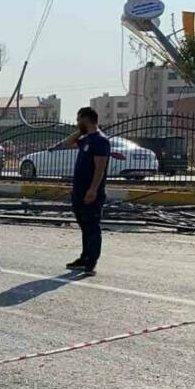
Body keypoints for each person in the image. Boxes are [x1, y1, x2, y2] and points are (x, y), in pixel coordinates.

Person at [61, 107, 110, 276]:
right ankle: (84, 257)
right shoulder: (87, 139)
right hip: (79, 191)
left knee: (92, 227)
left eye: (78, 119)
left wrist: (93, 190)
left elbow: (100, 168)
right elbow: (67, 143)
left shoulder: (100, 140)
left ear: (86, 119)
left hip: (91, 192)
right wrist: (80, 131)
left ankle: (91, 262)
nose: (77, 122)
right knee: (84, 226)